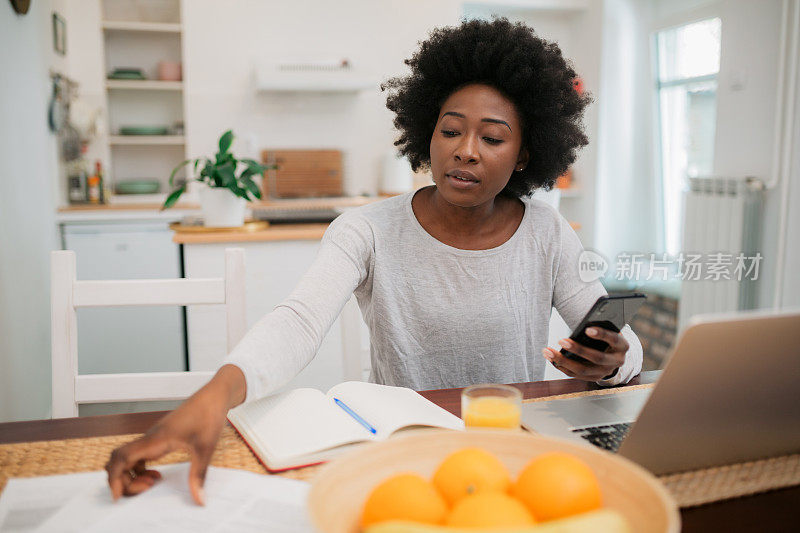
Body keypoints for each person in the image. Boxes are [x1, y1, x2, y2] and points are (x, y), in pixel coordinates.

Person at [105, 17, 642, 505]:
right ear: (426, 134)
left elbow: (612, 331)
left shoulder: (545, 230)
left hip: (513, 457)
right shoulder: (367, 229)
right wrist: (214, 396)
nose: (466, 150)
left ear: (525, 153)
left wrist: (613, 359)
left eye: (493, 137)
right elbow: (299, 320)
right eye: (450, 130)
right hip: (404, 461)